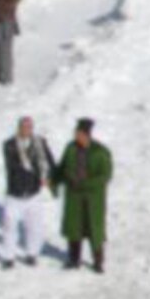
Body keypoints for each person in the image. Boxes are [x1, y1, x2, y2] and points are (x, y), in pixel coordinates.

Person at [52, 117, 111, 273]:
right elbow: (62, 168)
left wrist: (85, 184)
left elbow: (105, 176)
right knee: (74, 228)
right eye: (75, 133)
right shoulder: (70, 148)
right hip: (74, 197)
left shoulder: (100, 152)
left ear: (86, 135)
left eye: (78, 133)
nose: (76, 136)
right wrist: (54, 181)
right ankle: (74, 258)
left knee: (94, 229)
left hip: (93, 199)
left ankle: (98, 261)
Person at [0, 117, 52, 267]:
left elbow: (49, 161)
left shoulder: (40, 144)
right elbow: (15, 166)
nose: (27, 130)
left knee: (34, 227)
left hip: (33, 193)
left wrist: (48, 177)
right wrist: (38, 173)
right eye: (24, 127)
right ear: (19, 128)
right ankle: (9, 257)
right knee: (10, 227)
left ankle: (32, 253)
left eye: (29, 127)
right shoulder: (9, 145)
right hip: (15, 194)